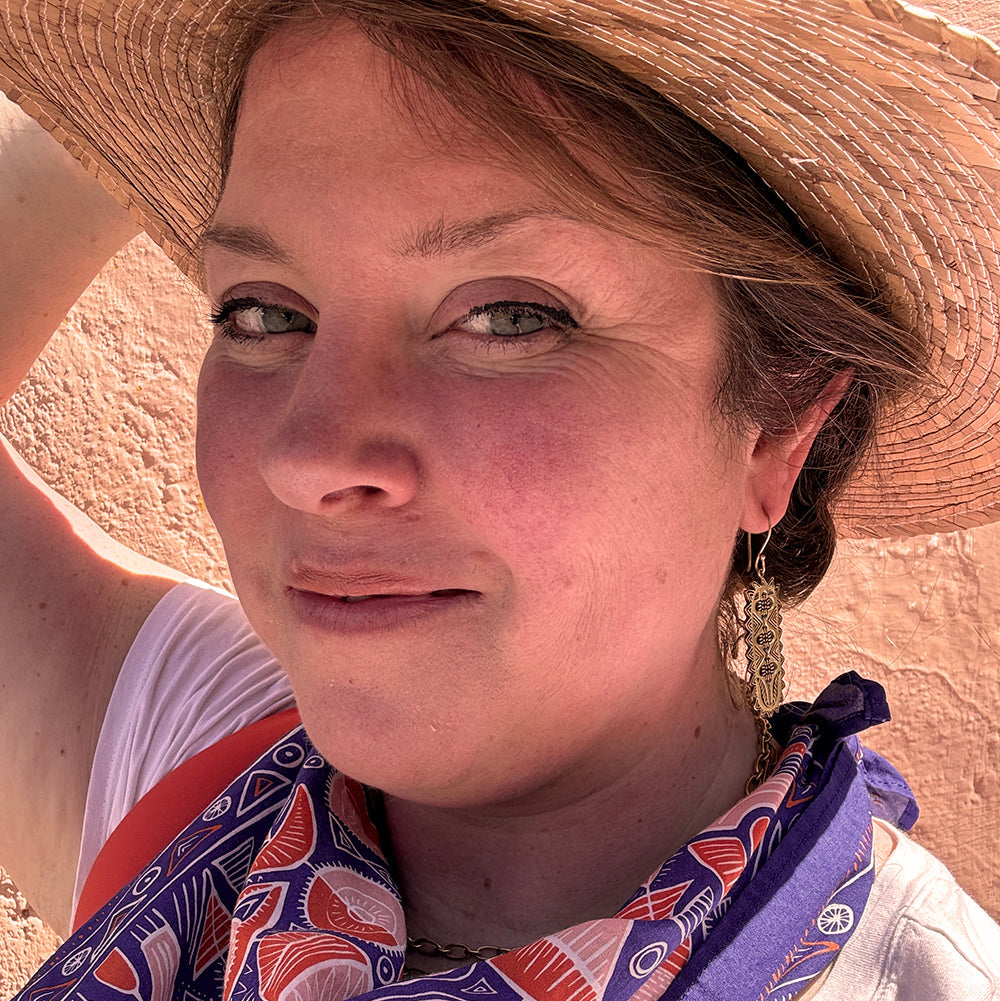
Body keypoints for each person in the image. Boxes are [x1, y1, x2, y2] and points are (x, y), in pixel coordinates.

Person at [1, 0, 999, 998]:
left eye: (509, 316)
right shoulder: (202, 765)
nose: (308, 456)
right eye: (261, 310)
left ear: (779, 426)